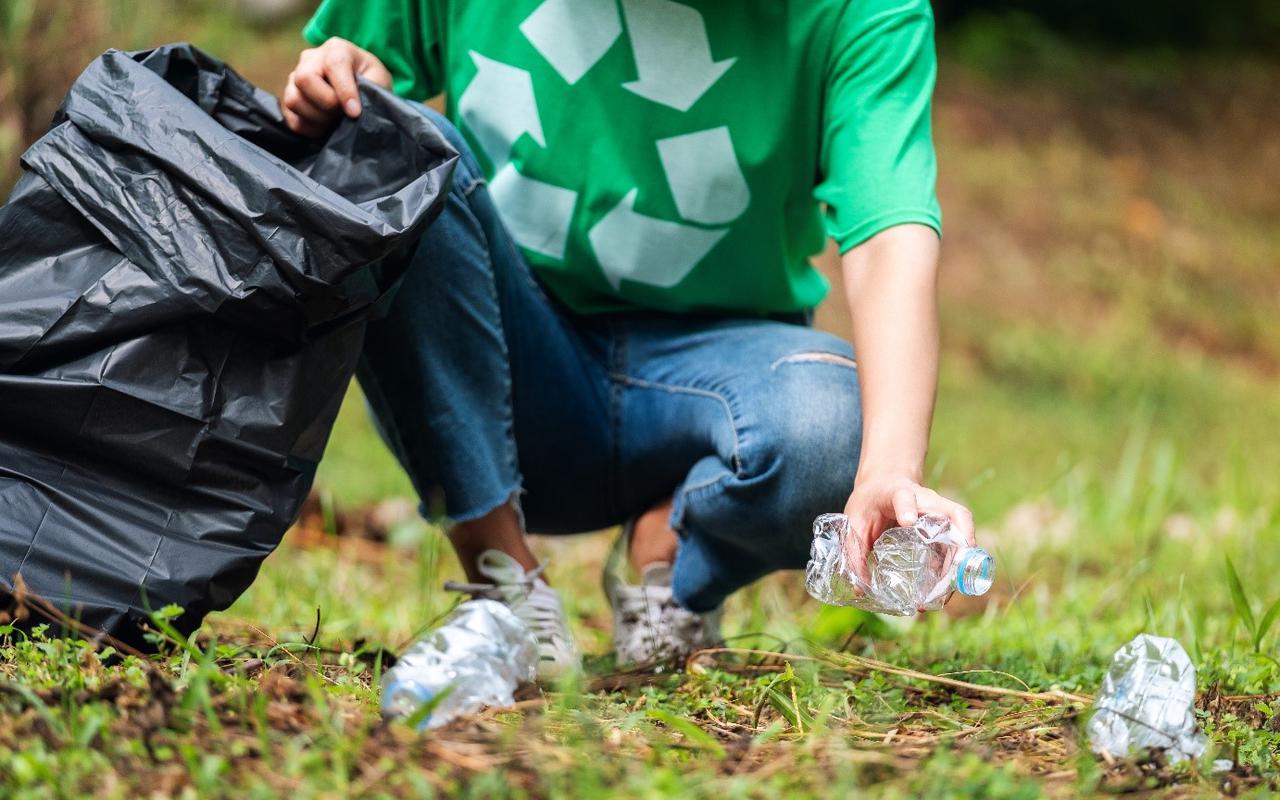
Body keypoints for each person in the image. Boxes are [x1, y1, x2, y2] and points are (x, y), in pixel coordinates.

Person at [282, 0, 976, 677]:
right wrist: (337, 84)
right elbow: (354, 79)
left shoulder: (863, 11)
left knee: (838, 433)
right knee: (374, 143)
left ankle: (674, 549)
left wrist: (890, 468)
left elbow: (890, 234)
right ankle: (503, 587)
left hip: (717, 396)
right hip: (511, 373)